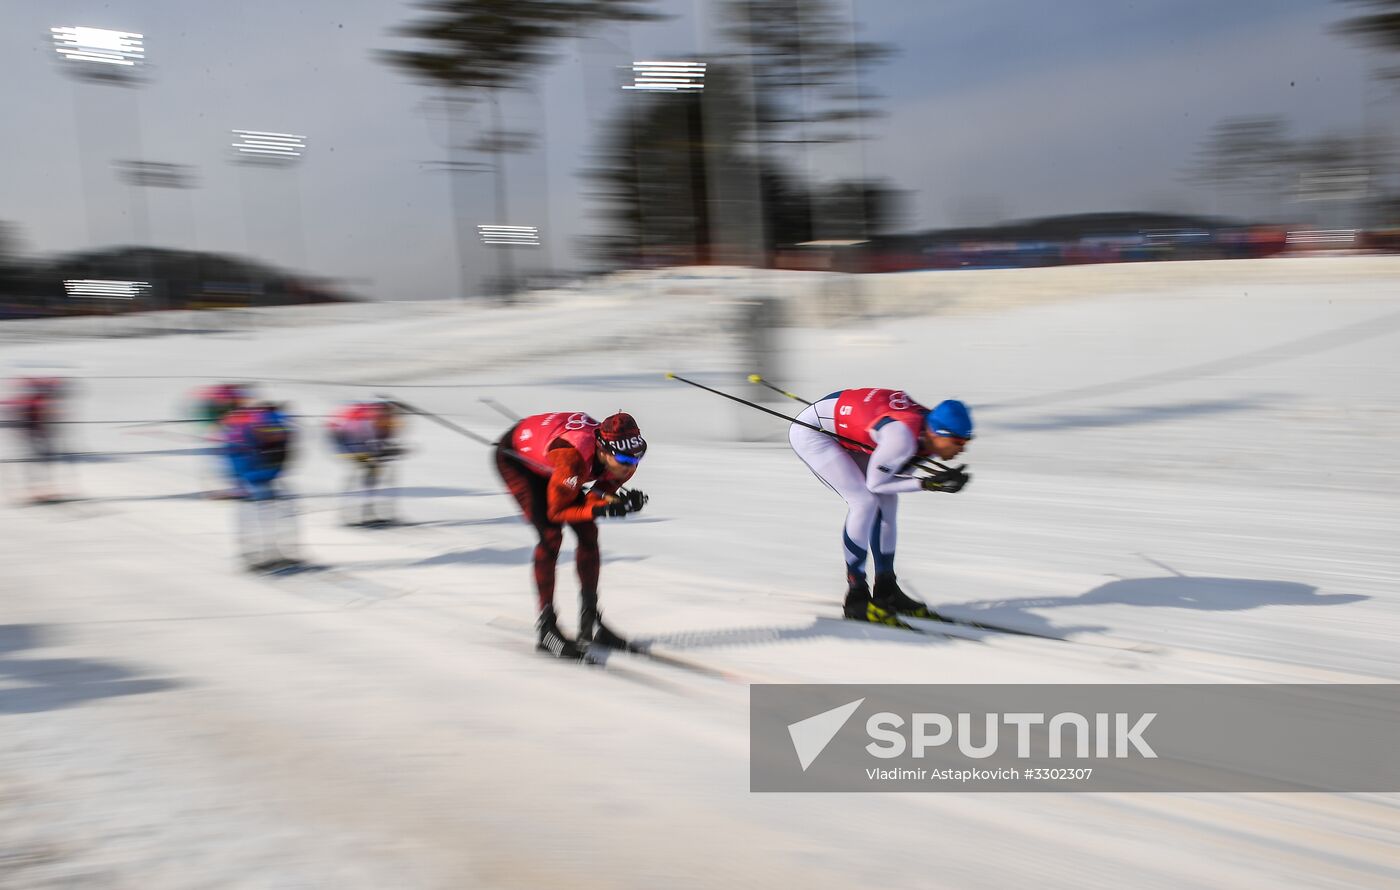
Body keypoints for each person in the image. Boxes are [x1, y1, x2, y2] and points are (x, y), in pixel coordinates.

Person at [788, 388, 973, 627]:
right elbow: (877, 483)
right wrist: (928, 483)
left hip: (846, 421)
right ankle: (857, 596)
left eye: (966, 442)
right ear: (939, 433)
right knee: (864, 501)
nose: (962, 449)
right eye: (958, 441)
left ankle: (886, 588)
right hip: (814, 433)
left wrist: (929, 482)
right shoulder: (903, 438)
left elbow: (894, 480)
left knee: (887, 500)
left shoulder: (927, 435)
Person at [494, 410, 649, 659]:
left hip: (559, 466)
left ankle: (590, 620)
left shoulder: (624, 458)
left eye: (638, 456)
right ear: (603, 449)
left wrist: (614, 502)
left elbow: (594, 497)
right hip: (520, 461)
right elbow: (558, 512)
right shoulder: (573, 459)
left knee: (588, 533)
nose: (631, 466)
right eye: (624, 459)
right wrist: (605, 508)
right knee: (551, 536)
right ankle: (546, 628)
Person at [223, 401, 298, 571]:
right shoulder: (262, 423)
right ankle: (265, 554)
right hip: (259, 477)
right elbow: (276, 444)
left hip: (252, 478)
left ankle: (257, 555)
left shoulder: (239, 426)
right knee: (266, 517)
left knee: (260, 517)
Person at [327, 400, 404, 526]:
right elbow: (361, 444)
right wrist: (378, 455)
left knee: (372, 475)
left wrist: (391, 450)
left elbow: (381, 443)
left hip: (358, 446)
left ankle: (368, 512)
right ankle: (357, 514)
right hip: (347, 445)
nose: (389, 418)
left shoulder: (385, 422)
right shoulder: (364, 423)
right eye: (387, 414)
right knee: (367, 475)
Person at [5, 377, 67, 503]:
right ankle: (37, 489)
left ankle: (42, 488)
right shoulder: (32, 401)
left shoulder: (39, 400)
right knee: (36, 461)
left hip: (38, 433)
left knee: (41, 461)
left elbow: (50, 416)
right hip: (33, 433)